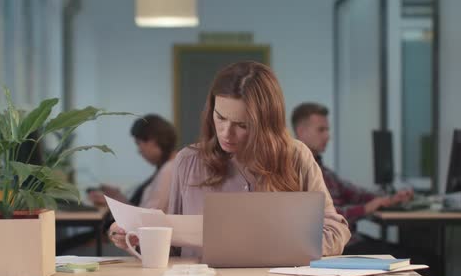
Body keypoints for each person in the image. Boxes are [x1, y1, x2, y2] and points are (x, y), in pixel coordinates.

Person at [110, 61, 351, 256]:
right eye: (220, 117)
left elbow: (335, 231)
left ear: (266, 124)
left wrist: (271, 243)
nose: (226, 133)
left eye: (242, 125)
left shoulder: (296, 156)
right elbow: (173, 247)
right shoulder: (188, 161)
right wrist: (137, 239)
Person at [290, 102, 413, 239]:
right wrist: (367, 208)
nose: (327, 136)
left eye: (327, 130)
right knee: (421, 257)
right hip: (337, 249)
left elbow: (355, 193)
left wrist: (388, 199)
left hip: (349, 241)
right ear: (301, 131)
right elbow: (326, 217)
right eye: (321, 130)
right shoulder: (296, 172)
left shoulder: (325, 172)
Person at [89, 114, 177, 216]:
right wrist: (116, 197)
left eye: (139, 143)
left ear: (153, 140)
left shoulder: (169, 170)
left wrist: (112, 203)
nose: (139, 151)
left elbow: (148, 216)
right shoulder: (167, 167)